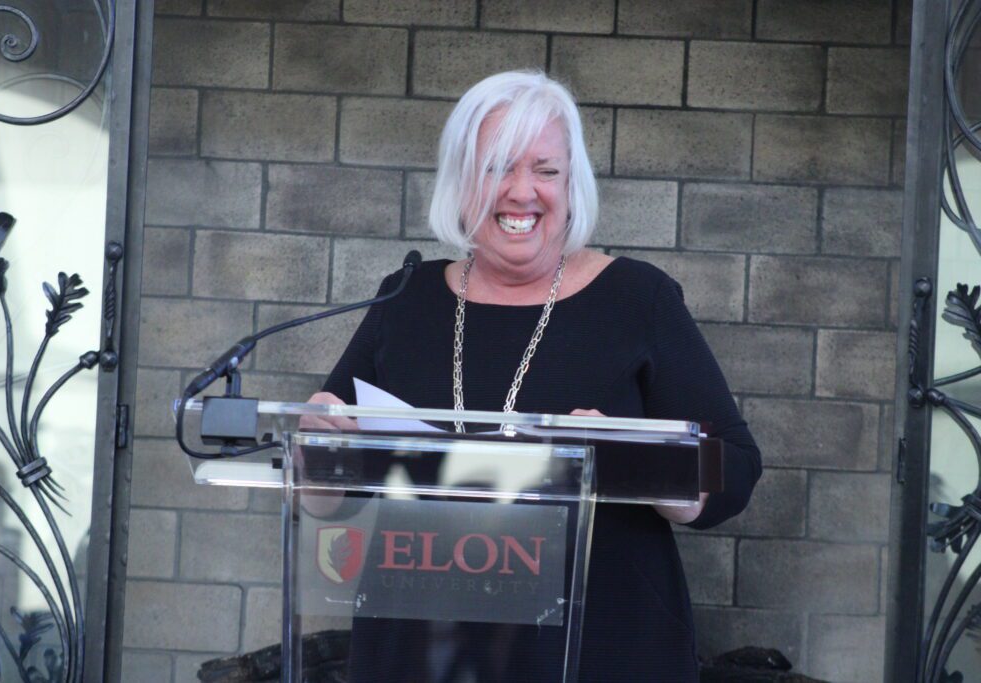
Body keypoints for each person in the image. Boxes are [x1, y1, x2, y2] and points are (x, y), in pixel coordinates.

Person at [308, 70, 761, 682]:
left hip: (599, 650)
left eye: (546, 170)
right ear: (461, 184)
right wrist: (316, 446)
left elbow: (736, 467)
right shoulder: (408, 297)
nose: (522, 192)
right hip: (422, 653)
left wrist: (642, 457)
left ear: (571, 185)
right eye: (497, 167)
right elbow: (330, 489)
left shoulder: (637, 298)